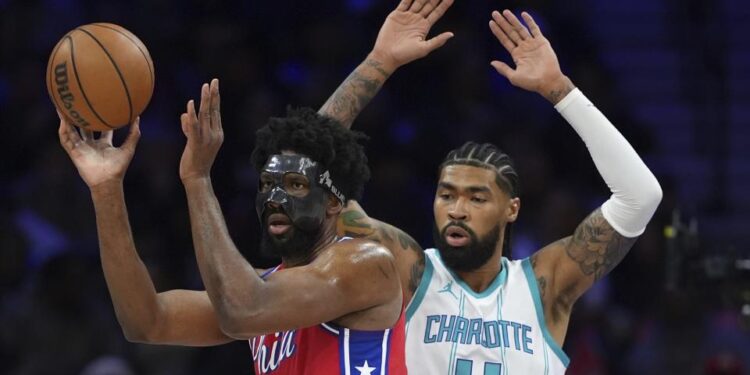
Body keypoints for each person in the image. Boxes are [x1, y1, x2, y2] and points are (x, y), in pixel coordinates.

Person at [55, 0, 454, 373]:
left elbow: (243, 310)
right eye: (267, 184)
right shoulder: (264, 288)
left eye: (294, 185)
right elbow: (147, 322)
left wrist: (197, 180)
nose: (275, 196)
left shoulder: (365, 263)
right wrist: (106, 189)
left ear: (336, 203)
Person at [319, 6, 663, 374]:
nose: (457, 209)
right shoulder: (409, 270)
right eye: (446, 195)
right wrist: (379, 61)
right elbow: (307, 171)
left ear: (511, 209)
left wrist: (560, 90)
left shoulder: (544, 286)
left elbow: (641, 195)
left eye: (477, 197)